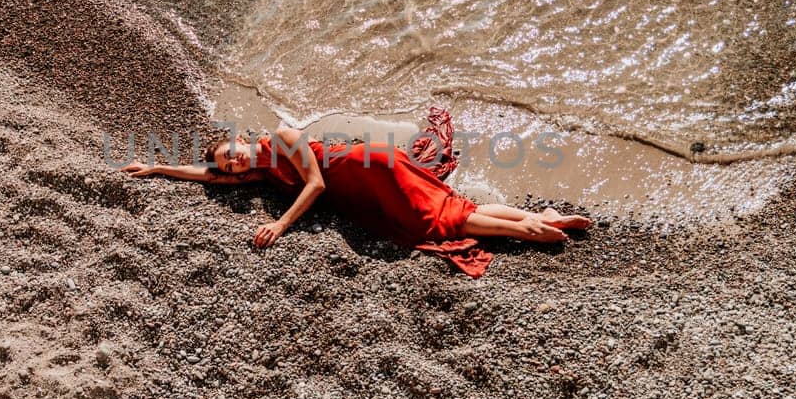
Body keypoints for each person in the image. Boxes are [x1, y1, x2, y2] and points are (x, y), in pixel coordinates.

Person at [119, 123, 589, 276]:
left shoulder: (282, 138)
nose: (235, 166)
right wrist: (158, 167)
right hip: (363, 180)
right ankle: (540, 216)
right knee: (455, 207)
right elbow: (207, 175)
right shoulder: (256, 168)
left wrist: (281, 225)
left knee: (435, 223)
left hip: (370, 168)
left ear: (243, 139)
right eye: (231, 165)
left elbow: (317, 185)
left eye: (235, 155)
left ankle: (531, 232)